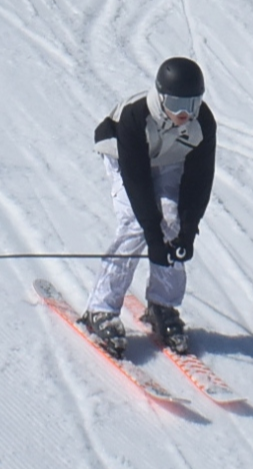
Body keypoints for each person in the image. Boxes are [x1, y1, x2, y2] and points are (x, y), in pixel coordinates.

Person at [79, 57, 216, 357]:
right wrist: (153, 238)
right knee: (135, 224)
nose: (184, 113)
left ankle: (162, 305)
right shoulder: (135, 116)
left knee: (173, 224)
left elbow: (199, 180)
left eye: (192, 104)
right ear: (162, 97)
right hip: (122, 154)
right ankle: (100, 309)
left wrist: (187, 232)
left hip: (168, 157)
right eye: (177, 104)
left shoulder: (202, 123)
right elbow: (137, 181)